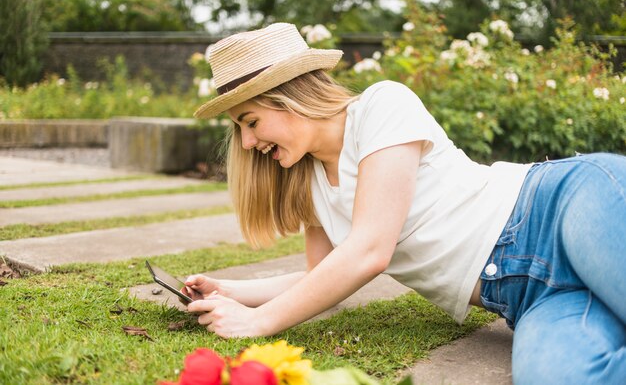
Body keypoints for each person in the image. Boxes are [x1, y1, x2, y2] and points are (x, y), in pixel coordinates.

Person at [180, 23, 626, 384]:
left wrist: (258, 324)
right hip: (530, 295)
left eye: (251, 121)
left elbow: (371, 250)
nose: (248, 141)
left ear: (290, 95)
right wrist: (232, 292)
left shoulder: (381, 106)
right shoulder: (308, 182)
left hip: (562, 208)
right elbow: (321, 280)